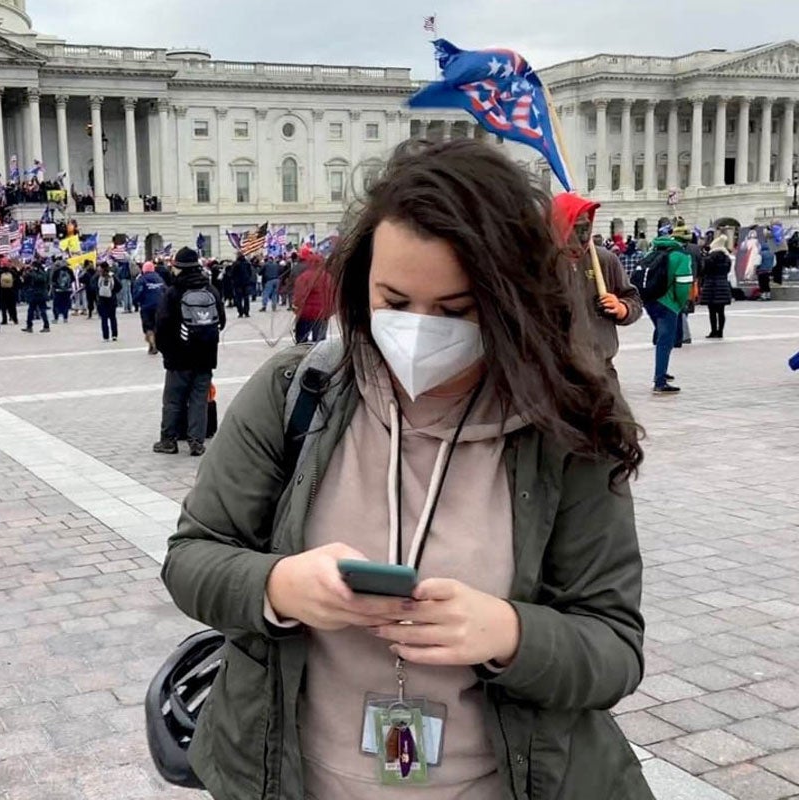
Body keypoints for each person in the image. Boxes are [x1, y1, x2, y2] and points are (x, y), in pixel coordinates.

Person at [159, 139, 649, 799]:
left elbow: (613, 647)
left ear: (512, 302)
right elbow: (192, 558)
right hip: (295, 778)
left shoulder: (569, 427)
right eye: (393, 300)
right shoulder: (294, 392)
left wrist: (510, 633)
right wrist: (276, 587)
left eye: (454, 312)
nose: (418, 331)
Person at [550, 193, 643, 379]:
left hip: (602, 369)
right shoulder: (543, 263)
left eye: (587, 222)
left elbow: (633, 299)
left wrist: (622, 308)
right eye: (576, 224)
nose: (583, 231)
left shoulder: (604, 260)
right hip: (557, 373)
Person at [153, 247, 226, 457]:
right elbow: (221, 320)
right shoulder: (210, 290)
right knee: (199, 400)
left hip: (178, 358)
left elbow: (162, 324)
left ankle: (169, 440)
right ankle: (196, 442)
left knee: (173, 400)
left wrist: (166, 352)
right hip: (205, 357)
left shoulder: (173, 292)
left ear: (178, 268)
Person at [645, 225, 695, 395]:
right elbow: (683, 285)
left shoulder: (653, 252)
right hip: (668, 303)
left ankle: (662, 370)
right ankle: (660, 381)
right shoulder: (681, 256)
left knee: (662, 337)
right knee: (666, 341)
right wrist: (679, 304)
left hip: (650, 300)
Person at [292, 257, 334, 343]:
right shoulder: (328, 277)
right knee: (320, 342)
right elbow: (333, 295)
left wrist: (296, 307)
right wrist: (331, 311)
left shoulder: (304, 277)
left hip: (305, 313)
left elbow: (300, 295)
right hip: (322, 314)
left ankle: (302, 354)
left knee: (301, 340)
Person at [701, 233, 733, 339]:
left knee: (712, 311)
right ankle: (720, 332)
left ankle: (713, 331)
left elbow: (704, 271)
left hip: (710, 285)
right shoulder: (727, 259)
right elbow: (727, 271)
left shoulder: (709, 259)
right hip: (723, 284)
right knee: (721, 311)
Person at [133, 261, 166, 355]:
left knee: (148, 327)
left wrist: (136, 301)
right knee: (156, 326)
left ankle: (153, 344)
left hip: (146, 306)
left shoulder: (141, 280)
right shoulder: (159, 279)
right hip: (159, 306)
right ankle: (153, 344)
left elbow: (137, 293)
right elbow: (165, 290)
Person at [94, 262, 121, 342]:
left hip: (102, 300)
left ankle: (106, 336)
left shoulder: (98, 276)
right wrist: (113, 292)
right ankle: (114, 335)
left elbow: (92, 285)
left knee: (104, 319)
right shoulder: (112, 275)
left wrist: (98, 292)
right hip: (112, 299)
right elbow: (119, 286)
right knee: (113, 318)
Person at [23, 261, 52, 333]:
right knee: (32, 311)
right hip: (37, 294)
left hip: (38, 294)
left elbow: (39, 279)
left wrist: (31, 273)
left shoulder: (39, 273)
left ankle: (45, 326)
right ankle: (29, 326)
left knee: (41, 311)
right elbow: (26, 279)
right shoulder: (41, 272)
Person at [51, 259, 75, 323]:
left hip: (58, 290)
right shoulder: (70, 270)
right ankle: (65, 318)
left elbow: (53, 281)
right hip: (68, 290)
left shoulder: (57, 271)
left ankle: (56, 318)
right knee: (66, 304)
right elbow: (73, 279)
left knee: (56, 304)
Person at [230, 254, 254, 318]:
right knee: (246, 298)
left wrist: (233, 281)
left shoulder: (235, 264)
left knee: (238, 299)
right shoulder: (247, 264)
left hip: (238, 284)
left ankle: (240, 312)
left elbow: (232, 274)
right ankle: (246, 312)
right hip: (246, 283)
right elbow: (250, 273)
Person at [0, 260, 20, 325]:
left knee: (3, 307)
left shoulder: (0, 272)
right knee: (12, 306)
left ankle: (4, 320)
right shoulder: (12, 272)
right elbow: (17, 279)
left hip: (2, 291)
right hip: (11, 291)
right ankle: (15, 319)